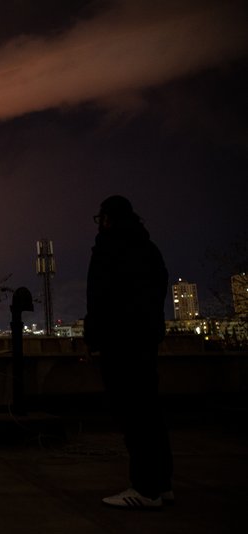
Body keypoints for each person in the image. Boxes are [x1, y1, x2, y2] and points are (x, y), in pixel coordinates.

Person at [84, 195, 173, 509]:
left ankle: (145, 488)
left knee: (132, 415)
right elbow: (159, 291)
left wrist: (92, 339)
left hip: (119, 342)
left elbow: (98, 297)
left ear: (106, 218)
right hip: (145, 340)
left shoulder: (107, 249)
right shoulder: (149, 250)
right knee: (149, 411)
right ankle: (162, 483)